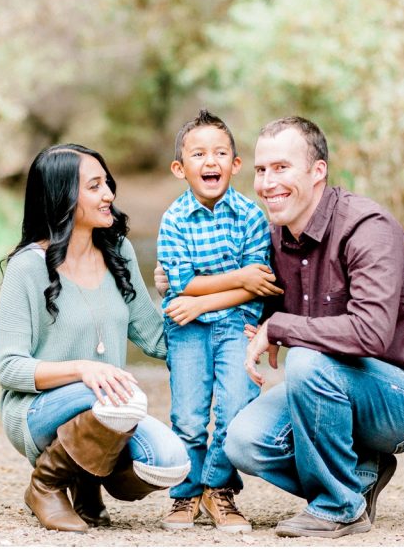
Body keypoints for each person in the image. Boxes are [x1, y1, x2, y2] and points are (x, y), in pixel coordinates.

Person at [222, 116, 404, 538]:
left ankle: (338, 506)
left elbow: (370, 334)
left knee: (307, 360)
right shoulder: (274, 236)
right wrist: (178, 282)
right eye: (261, 170)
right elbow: (253, 299)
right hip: (329, 386)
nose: (268, 182)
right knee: (244, 441)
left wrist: (282, 328)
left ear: (318, 171)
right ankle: (359, 475)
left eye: (282, 168)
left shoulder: (367, 229)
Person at [0, 144, 190, 534]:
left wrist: (214, 327)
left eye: (107, 183)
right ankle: (46, 486)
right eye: (95, 186)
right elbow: (9, 368)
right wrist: (83, 369)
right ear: (62, 196)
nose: (109, 195)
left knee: (170, 461)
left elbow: (155, 337)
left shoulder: (118, 250)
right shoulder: (27, 267)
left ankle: (86, 481)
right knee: (116, 395)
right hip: (36, 412)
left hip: (110, 409)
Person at [155, 110, 282, 533]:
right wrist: (237, 278)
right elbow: (182, 284)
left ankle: (217, 490)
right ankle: (186, 492)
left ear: (235, 164)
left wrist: (207, 298)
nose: (210, 162)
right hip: (187, 329)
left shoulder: (249, 216)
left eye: (220, 153)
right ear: (180, 168)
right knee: (189, 417)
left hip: (236, 328)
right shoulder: (173, 219)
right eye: (198, 154)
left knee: (234, 410)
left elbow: (258, 285)